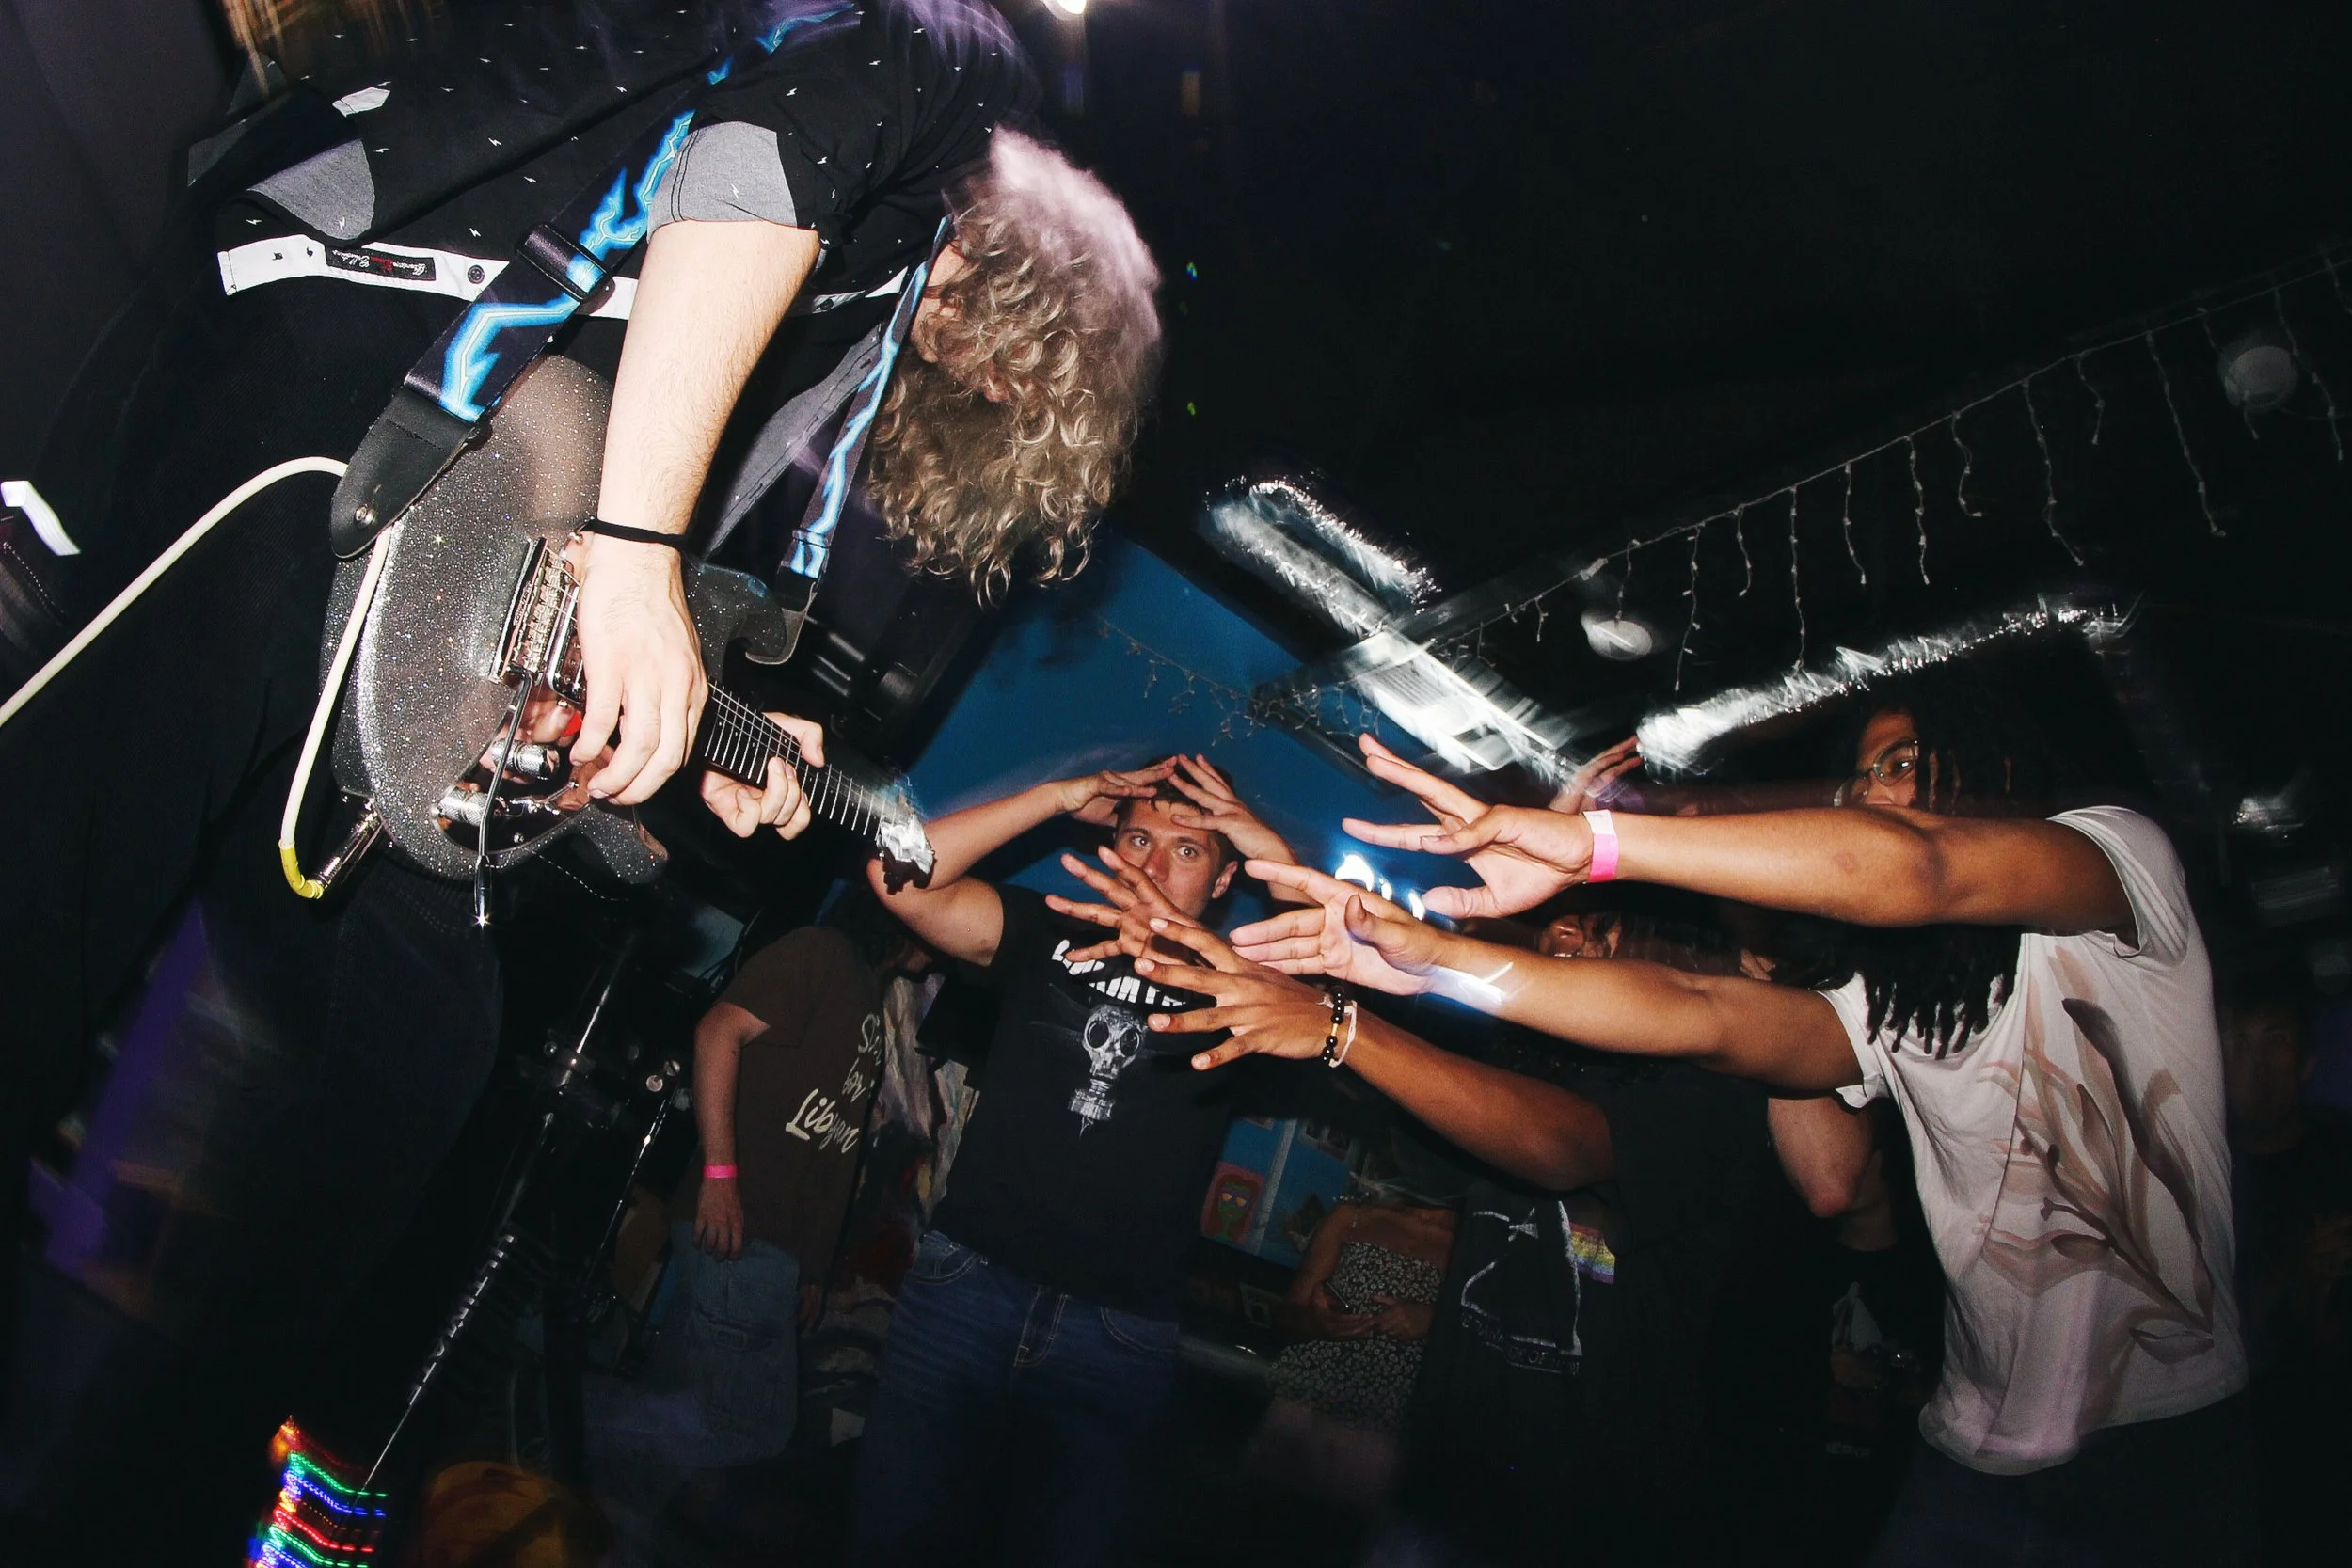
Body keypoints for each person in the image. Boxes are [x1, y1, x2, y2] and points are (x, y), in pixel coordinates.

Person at [1158, 672, 2250, 1567]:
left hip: (2155, 1439)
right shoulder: (1888, 1002)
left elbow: (1917, 869)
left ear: (1995, 768)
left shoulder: (2120, 868)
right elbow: (1700, 1014)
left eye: (1903, 760)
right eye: (1863, 773)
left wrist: (1594, 842)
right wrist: (1436, 962)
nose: (1875, 792)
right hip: (1966, 1440)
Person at [847, 754, 1300, 1568]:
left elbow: (1335, 969)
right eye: (1137, 839)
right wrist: (1053, 797)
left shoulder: (1247, 989)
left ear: (1226, 877)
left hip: (1117, 1333)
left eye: (1187, 850)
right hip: (967, 1287)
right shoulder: (1048, 928)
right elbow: (896, 874)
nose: (1153, 865)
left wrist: (1264, 841)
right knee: (894, 1538)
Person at [584, 890, 925, 1561]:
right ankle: (562, 1414)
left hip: (774, 1249)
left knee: (681, 1404)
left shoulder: (870, 995)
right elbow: (717, 1031)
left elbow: (835, 1147)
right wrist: (719, 1178)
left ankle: (600, 1532)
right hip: (739, 1224)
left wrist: (815, 1267)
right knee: (752, 1427)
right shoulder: (820, 951)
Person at [1251, 1190, 1454, 1505]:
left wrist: (1433, 1320)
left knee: (1339, 1544)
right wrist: (1316, 1323)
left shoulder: (1472, 1254)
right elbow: (1287, 1316)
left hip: (1381, 1430)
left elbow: (1485, 1351)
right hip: (1303, 1404)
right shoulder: (1354, 1216)